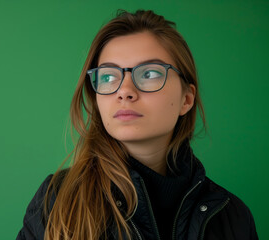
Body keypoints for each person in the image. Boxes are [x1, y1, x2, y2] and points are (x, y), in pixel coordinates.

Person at [16, 9, 258, 240]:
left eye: (149, 73)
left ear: (186, 99)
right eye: (109, 76)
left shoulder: (233, 216)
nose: (125, 91)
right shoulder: (57, 199)